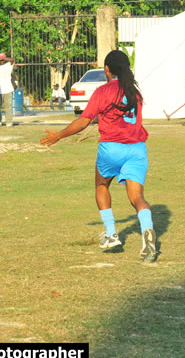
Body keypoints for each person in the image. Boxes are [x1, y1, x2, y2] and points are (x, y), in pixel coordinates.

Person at [40, 50, 158, 263]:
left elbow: (83, 121)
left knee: (101, 186)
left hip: (111, 148)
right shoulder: (135, 93)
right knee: (137, 197)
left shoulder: (103, 91)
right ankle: (148, 231)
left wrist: (59, 135)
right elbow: (122, 117)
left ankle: (111, 234)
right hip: (137, 149)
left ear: (107, 69)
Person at [0, 52, 15, 127]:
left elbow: (12, 60)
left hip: (8, 89)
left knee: (8, 106)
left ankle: (9, 122)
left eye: (3, 59)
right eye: (0, 59)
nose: (2, 61)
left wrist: (4, 58)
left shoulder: (8, 65)